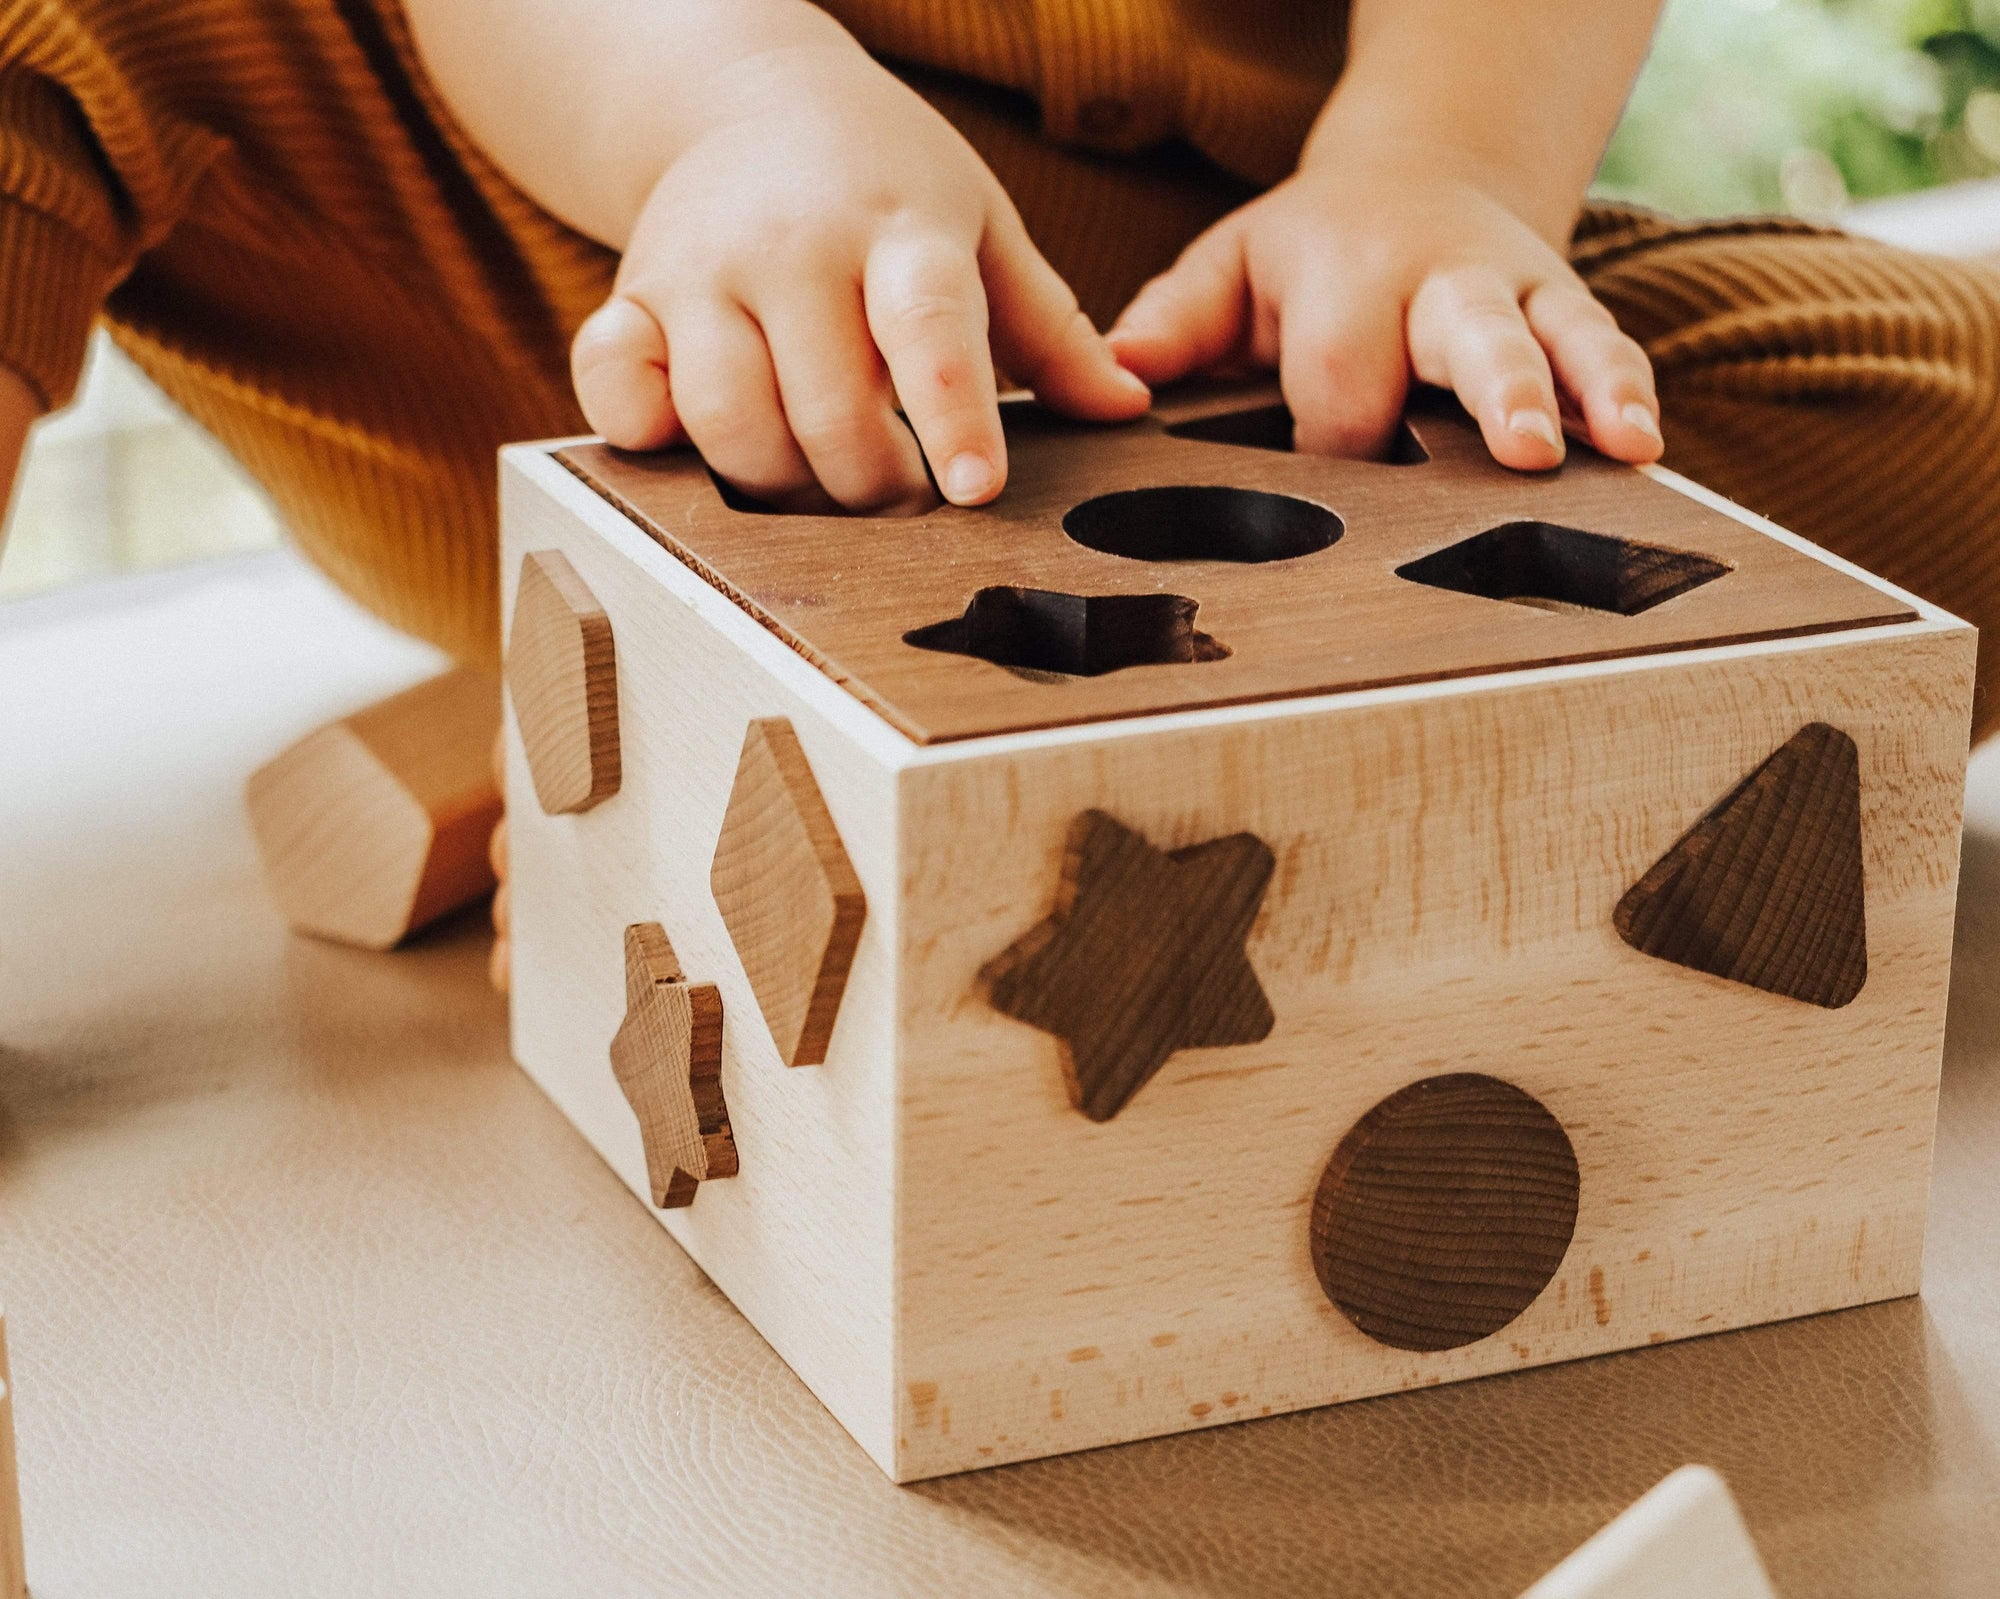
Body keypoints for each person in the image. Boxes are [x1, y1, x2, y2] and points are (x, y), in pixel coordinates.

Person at [2, 0, 1995, 993]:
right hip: (560, 208)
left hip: (1247, 320)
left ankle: (840, 724)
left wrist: (1441, 157)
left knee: (1954, 425)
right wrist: (731, 111)